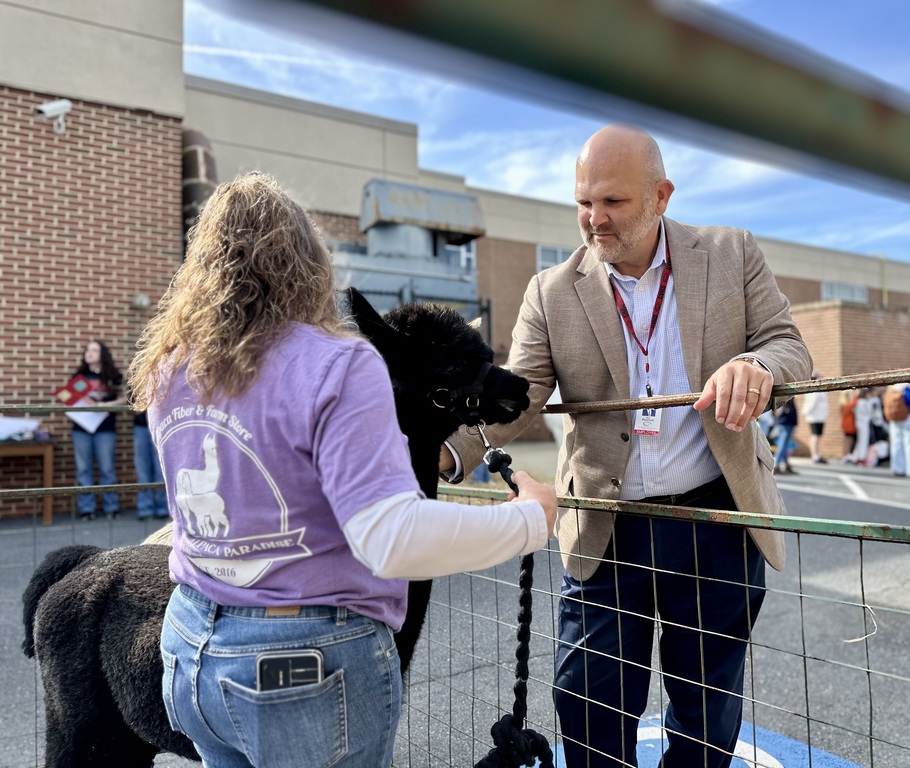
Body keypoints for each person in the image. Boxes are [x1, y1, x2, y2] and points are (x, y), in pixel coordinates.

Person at [127, 173, 556, 768]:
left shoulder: (170, 369)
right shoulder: (338, 363)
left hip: (193, 644)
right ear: (307, 263)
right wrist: (530, 521)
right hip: (302, 660)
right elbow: (391, 537)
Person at [441, 125, 812, 768]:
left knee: (705, 715)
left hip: (715, 519)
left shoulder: (731, 254)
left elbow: (790, 347)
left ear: (661, 195)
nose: (594, 219)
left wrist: (757, 366)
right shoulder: (551, 291)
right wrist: (443, 456)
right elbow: (514, 398)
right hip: (605, 529)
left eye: (612, 202)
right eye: (584, 202)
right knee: (586, 709)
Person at [68, 340, 126, 520]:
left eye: (94, 350)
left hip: (105, 428)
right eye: (87, 350)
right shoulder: (79, 377)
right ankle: (87, 509)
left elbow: (125, 398)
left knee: (107, 468)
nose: (89, 353)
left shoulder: (113, 376)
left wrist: (104, 405)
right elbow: (69, 397)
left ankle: (111, 507)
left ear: (103, 354)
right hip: (81, 428)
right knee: (83, 469)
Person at [133, 408, 168, 520]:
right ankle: (145, 509)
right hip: (141, 426)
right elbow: (133, 407)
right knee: (142, 472)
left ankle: (163, 509)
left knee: (161, 471)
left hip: (161, 425)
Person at [885, 382, 910, 478]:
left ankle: (897, 469)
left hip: (895, 420)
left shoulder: (892, 389)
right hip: (909, 417)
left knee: (896, 444)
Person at [801, 371, 829, 464]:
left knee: (817, 436)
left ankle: (817, 454)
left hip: (819, 416)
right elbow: (811, 404)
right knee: (815, 436)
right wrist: (806, 413)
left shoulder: (818, 390)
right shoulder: (814, 391)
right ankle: (815, 455)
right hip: (815, 417)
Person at [773, 397, 799, 474]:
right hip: (786, 422)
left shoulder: (781, 396)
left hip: (783, 422)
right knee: (783, 444)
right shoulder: (787, 396)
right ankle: (776, 464)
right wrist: (795, 423)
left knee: (785, 444)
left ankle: (785, 463)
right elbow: (792, 410)